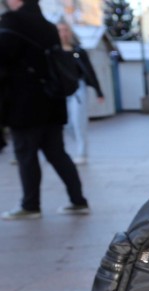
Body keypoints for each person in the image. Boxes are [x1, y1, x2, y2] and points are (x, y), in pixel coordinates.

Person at [0, 0, 90, 220]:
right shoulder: (48, 26)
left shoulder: (12, 21)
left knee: (26, 154)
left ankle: (31, 206)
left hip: (24, 103)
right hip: (52, 101)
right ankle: (78, 201)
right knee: (57, 153)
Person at [56, 20, 104, 166]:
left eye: (65, 30)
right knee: (67, 124)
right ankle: (80, 143)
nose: (63, 34)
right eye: (60, 30)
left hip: (78, 90)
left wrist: (98, 91)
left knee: (78, 122)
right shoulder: (54, 51)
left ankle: (82, 152)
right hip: (62, 92)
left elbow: (89, 71)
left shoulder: (78, 51)